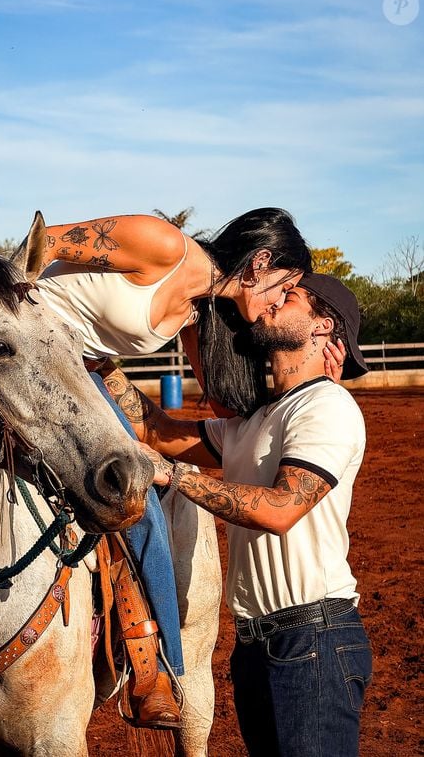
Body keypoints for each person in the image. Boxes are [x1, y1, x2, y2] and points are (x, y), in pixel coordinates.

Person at [0, 208, 339, 728]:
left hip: (78, 380)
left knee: (142, 504)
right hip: (15, 353)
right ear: (261, 262)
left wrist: (293, 378)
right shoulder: (166, 246)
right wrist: (17, 323)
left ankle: (159, 668)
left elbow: (220, 404)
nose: (279, 303)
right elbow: (46, 245)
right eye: (286, 286)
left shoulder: (198, 313)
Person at [99, 273, 372, 756]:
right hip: (258, 647)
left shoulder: (326, 406)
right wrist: (99, 365)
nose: (269, 303)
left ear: (322, 326)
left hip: (314, 641)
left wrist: (175, 476)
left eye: (288, 297)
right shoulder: (256, 420)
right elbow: (158, 431)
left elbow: (282, 509)